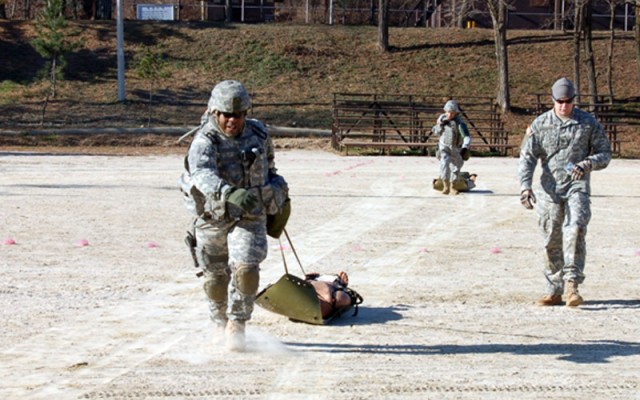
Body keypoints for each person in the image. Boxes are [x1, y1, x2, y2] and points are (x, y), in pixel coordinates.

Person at [179, 80, 289, 351]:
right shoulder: (205, 140)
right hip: (213, 216)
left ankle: (237, 324)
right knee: (216, 277)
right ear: (215, 113)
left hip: (250, 214)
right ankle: (218, 322)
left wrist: (276, 195)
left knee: (246, 269)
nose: (233, 120)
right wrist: (228, 192)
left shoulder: (259, 134)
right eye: (227, 114)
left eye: (238, 114)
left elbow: (271, 167)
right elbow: (201, 174)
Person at [518, 77, 611, 307]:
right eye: (560, 101)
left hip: (576, 186)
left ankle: (572, 285)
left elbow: (605, 153)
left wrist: (587, 163)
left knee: (576, 228)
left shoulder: (587, 123)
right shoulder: (540, 124)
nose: (564, 106)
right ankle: (553, 288)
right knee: (551, 237)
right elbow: (527, 157)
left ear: (574, 100)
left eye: (568, 101)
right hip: (550, 189)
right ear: (553, 100)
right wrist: (525, 186)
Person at [432, 100, 471, 195]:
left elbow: (466, 136)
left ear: (455, 113)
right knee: (444, 164)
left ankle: (453, 186)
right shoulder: (441, 120)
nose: (450, 114)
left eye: (452, 112)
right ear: (445, 111)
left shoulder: (460, 123)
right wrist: (440, 125)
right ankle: (445, 186)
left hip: (455, 148)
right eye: (448, 112)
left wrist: (465, 147)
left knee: (456, 167)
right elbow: (435, 131)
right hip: (443, 146)